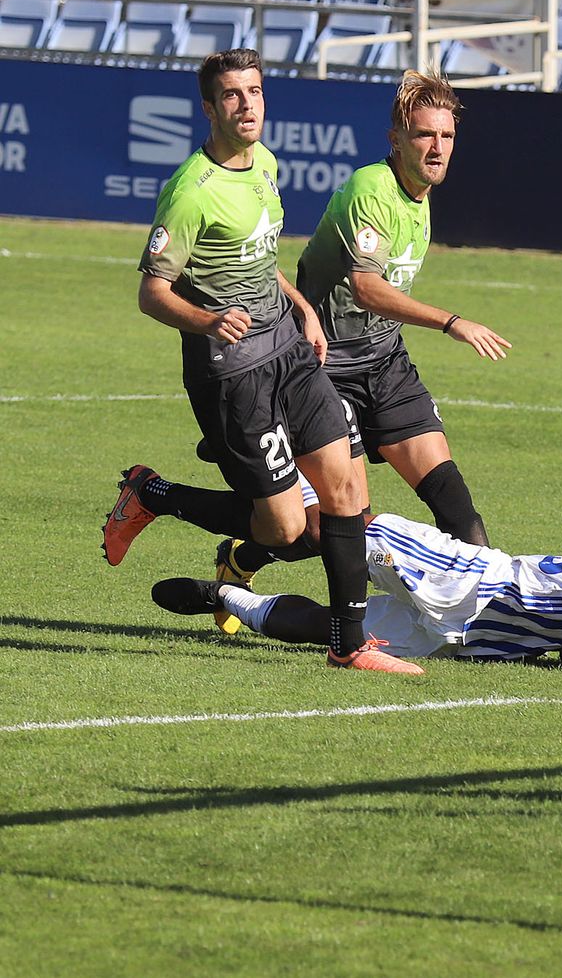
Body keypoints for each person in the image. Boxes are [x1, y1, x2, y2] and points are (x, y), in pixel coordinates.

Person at [103, 47, 410, 676]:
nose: (247, 105)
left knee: (349, 486)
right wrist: (209, 319)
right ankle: (153, 494)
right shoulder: (190, 192)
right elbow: (151, 292)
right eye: (233, 95)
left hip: (289, 349)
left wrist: (302, 307)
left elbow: (258, 260)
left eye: (256, 92)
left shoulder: (265, 164)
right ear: (210, 107)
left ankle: (348, 645)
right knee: (280, 529)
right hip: (231, 372)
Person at [208, 71, 512, 633]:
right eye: (424, 135)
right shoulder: (372, 189)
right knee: (333, 527)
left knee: (458, 511)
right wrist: (451, 322)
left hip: (384, 361)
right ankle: (245, 561)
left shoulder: (418, 195)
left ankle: (493, 623)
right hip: (321, 366)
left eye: (446, 136)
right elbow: (367, 286)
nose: (437, 147)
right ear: (396, 138)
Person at [151, 516, 562, 684]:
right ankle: (258, 542)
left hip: (467, 637)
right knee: (350, 528)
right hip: (469, 580)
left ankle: (230, 596)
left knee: (340, 631)